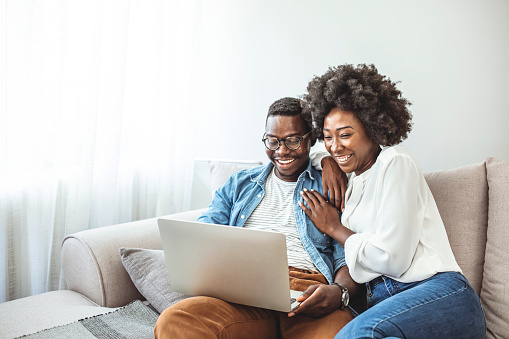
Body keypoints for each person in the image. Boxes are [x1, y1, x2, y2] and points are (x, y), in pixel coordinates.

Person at [299, 64, 486, 338]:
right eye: (328, 137)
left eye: (346, 134)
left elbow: (393, 259)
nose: (336, 146)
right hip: (390, 306)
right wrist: (326, 161)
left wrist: (334, 228)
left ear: (373, 128)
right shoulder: (351, 178)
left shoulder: (395, 162)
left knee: (354, 334)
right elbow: (314, 157)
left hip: (438, 294)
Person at [154, 97, 358, 339]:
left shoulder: (330, 185)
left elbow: (349, 256)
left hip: (307, 294)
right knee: (174, 321)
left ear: (311, 139)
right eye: (273, 141)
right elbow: (205, 234)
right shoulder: (239, 184)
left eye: (293, 141)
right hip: (243, 294)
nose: (282, 151)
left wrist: (339, 291)